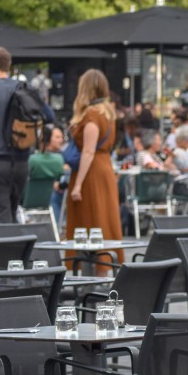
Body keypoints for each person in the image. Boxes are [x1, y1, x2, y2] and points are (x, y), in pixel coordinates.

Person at [0, 44, 52, 226]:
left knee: (1, 219)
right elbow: (49, 116)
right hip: (21, 162)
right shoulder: (25, 88)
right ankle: (16, 253)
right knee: (11, 215)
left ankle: (6, 254)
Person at [66, 69, 121, 269]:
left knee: (90, 221)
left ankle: (93, 272)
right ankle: (104, 267)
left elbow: (88, 151)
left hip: (91, 173)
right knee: (104, 220)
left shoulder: (91, 114)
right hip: (105, 167)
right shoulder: (108, 112)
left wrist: (77, 184)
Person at [29, 124, 67, 223]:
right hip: (49, 198)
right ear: (47, 138)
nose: (61, 140)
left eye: (62, 137)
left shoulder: (32, 159)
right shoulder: (59, 159)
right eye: (57, 137)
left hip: (31, 200)